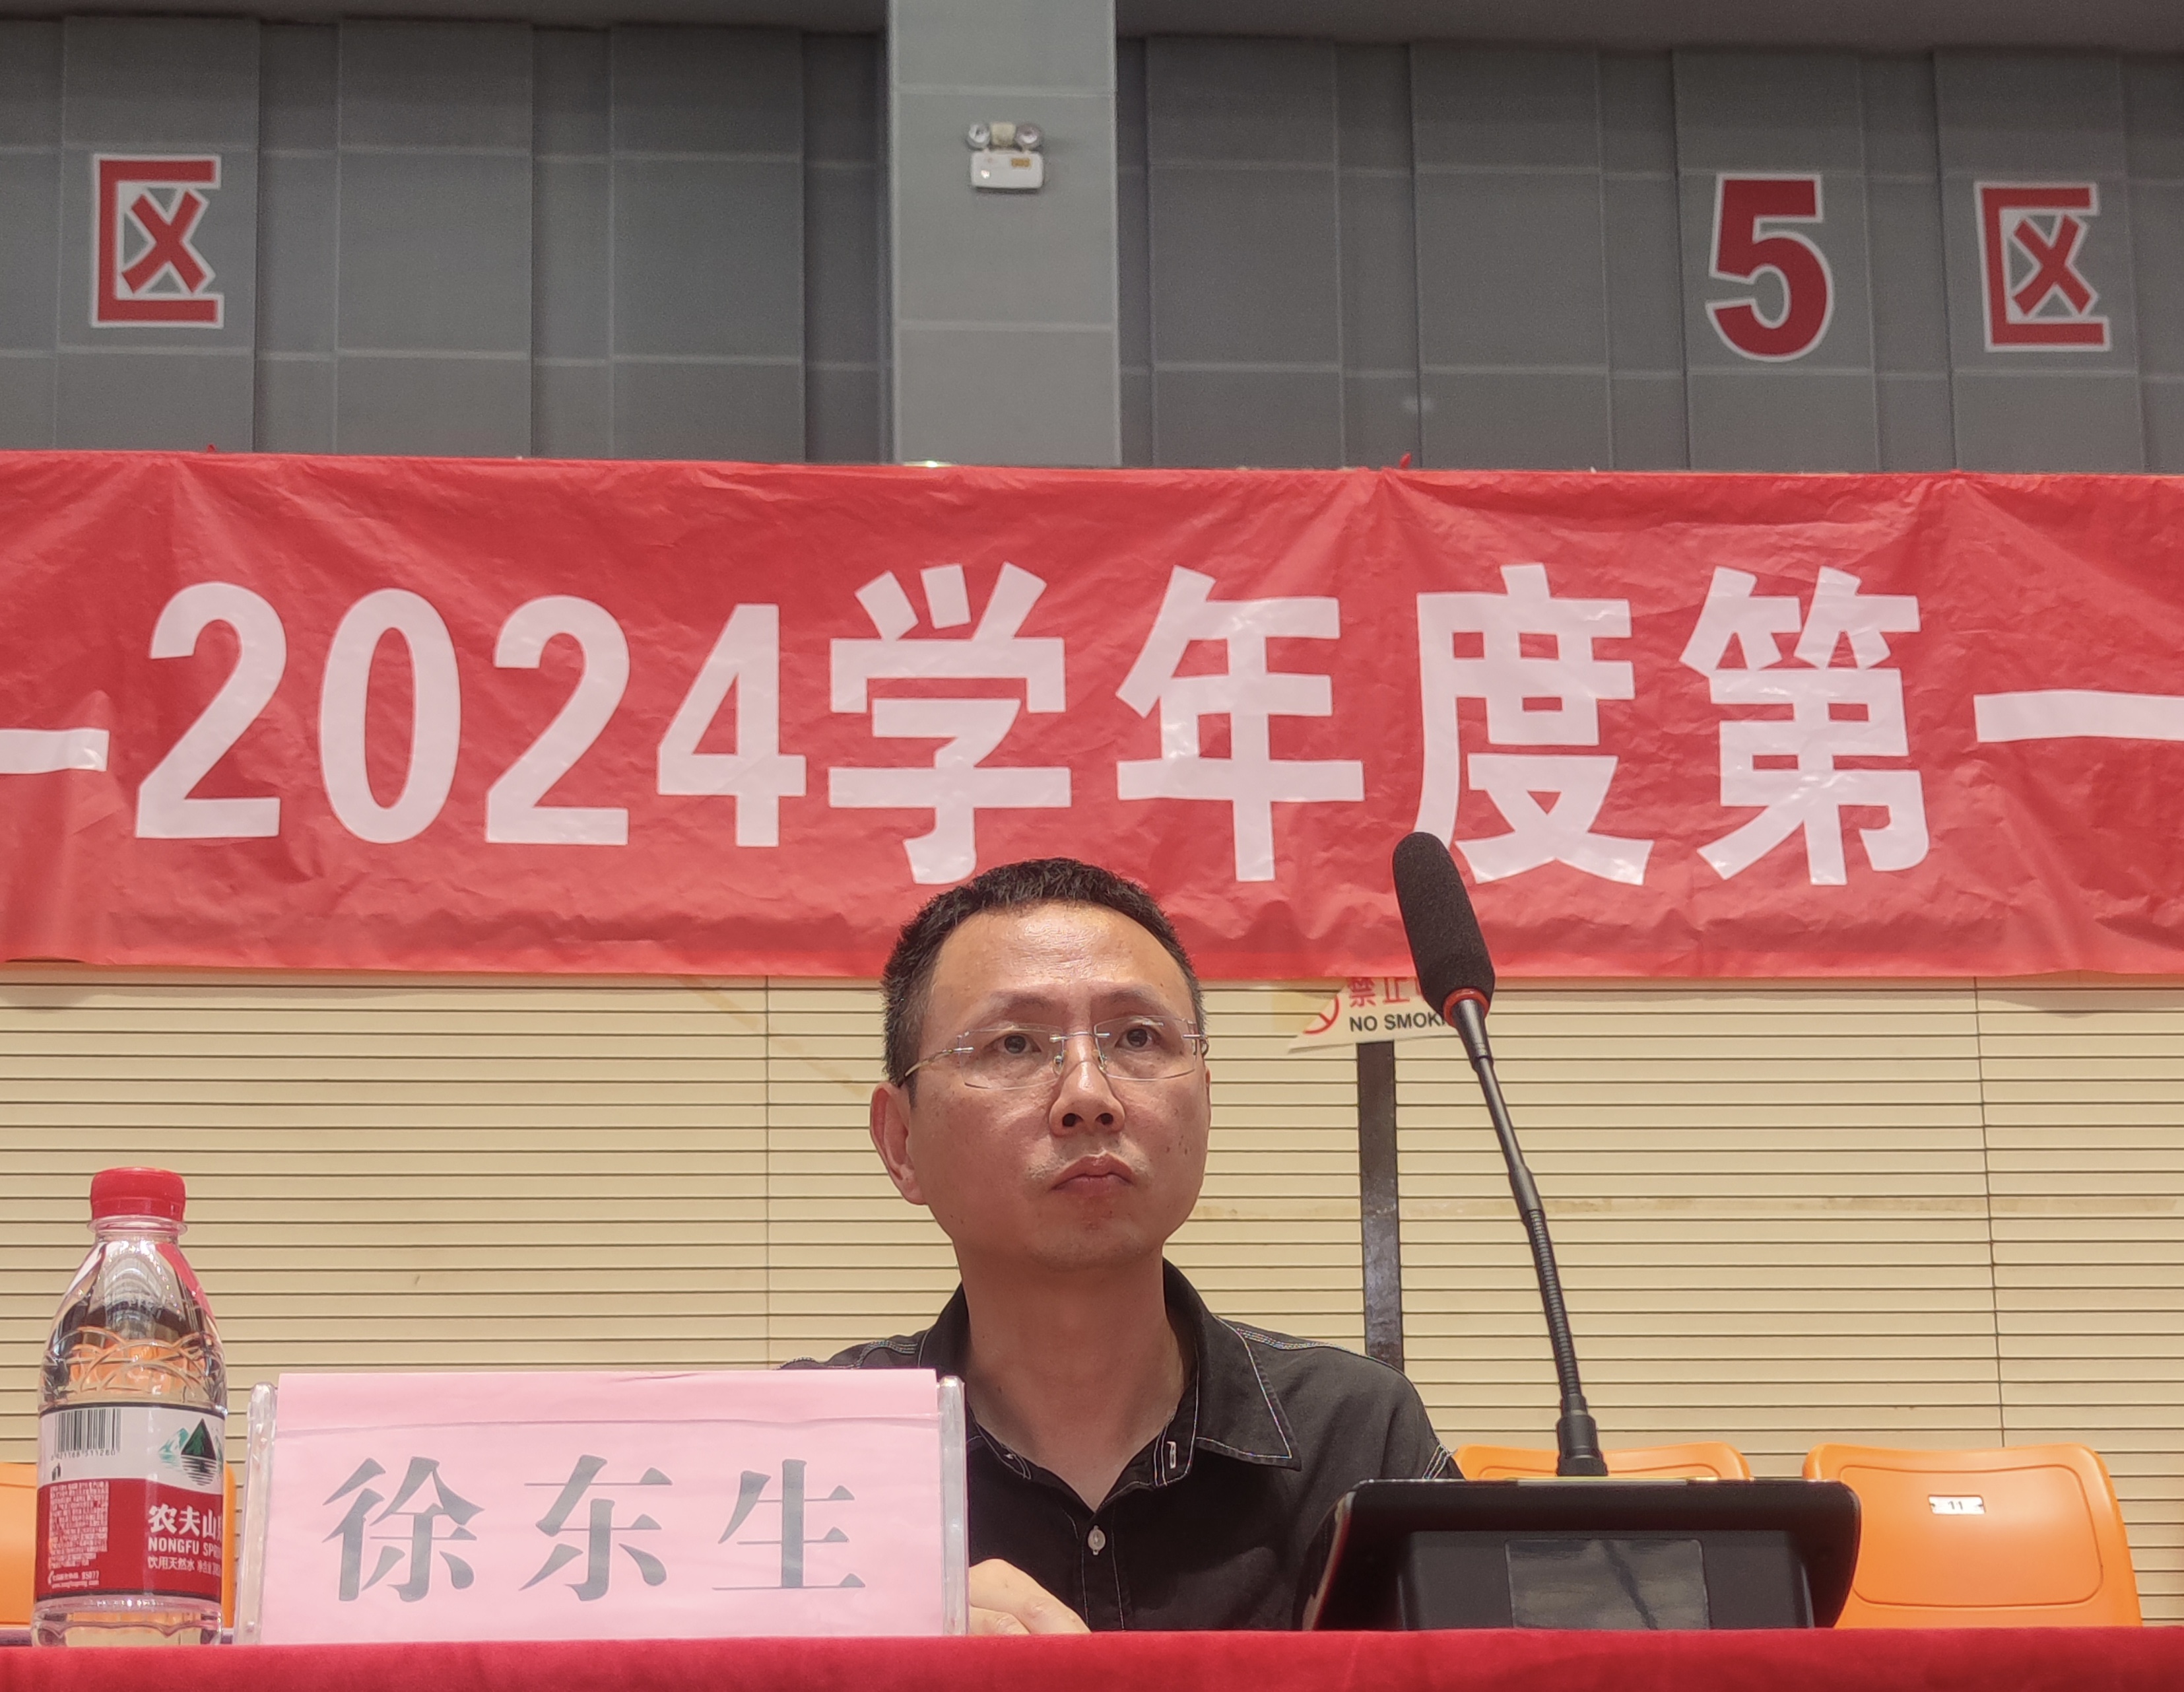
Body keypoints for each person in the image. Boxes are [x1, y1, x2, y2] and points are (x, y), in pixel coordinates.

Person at [795, 858, 1453, 1632]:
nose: (1088, 1095)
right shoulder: (804, 1448)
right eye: (1014, 1044)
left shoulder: (1355, 1435)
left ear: (1205, 1103)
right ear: (902, 1141)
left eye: (1138, 1036)